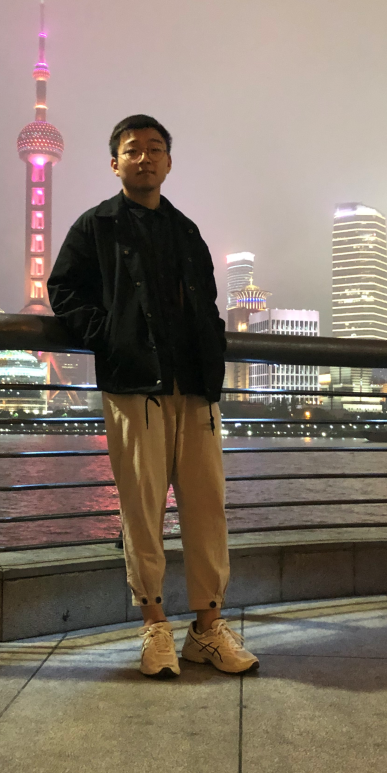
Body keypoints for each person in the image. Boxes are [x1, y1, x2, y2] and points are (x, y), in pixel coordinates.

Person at [48, 114, 259, 678]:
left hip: (195, 387)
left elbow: (208, 305)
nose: (144, 157)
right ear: (114, 162)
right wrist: (111, 337)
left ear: (169, 162)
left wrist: (211, 351)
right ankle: (154, 625)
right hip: (134, 385)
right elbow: (63, 292)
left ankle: (207, 629)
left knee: (207, 507)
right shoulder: (95, 227)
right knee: (142, 510)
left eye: (155, 148)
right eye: (133, 149)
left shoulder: (186, 230)